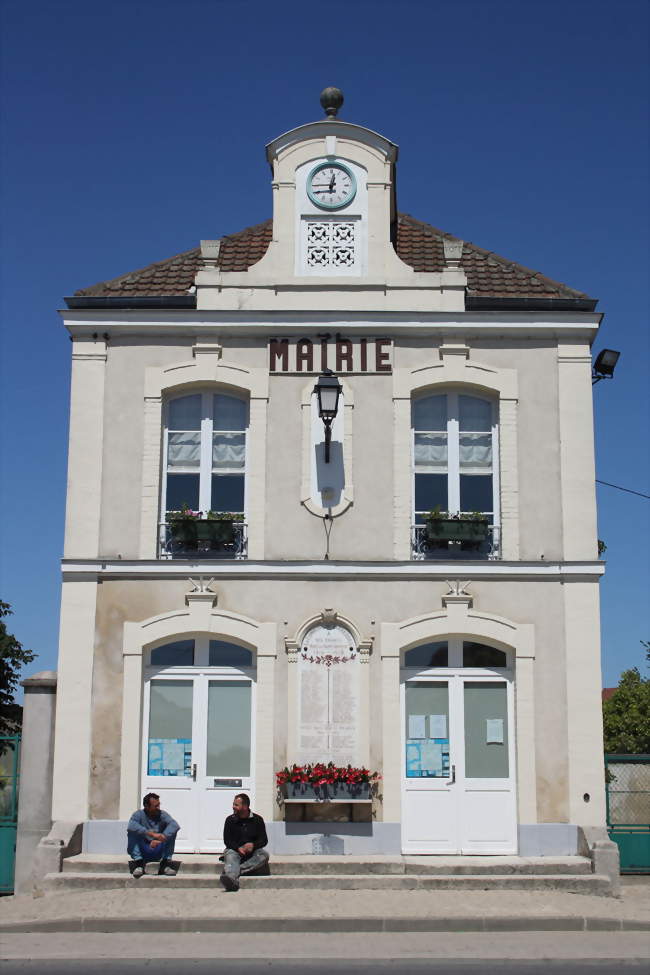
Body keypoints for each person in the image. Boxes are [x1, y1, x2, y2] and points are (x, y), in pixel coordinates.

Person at [220, 793, 269, 891]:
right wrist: (238, 848)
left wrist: (253, 845)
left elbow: (264, 840)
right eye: (233, 804)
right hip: (235, 851)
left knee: (264, 855)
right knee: (229, 853)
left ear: (245, 806)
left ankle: (233, 872)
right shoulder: (230, 820)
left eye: (236, 805)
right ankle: (232, 882)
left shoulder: (257, 820)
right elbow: (227, 840)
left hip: (252, 853)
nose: (233, 807)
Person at [127, 793, 180, 877]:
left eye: (159, 805)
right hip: (143, 849)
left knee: (171, 833)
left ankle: (165, 865)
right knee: (132, 832)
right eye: (156, 806)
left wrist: (159, 839)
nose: (158, 808)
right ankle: (139, 864)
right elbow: (131, 825)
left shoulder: (162, 814)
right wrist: (152, 834)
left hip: (158, 848)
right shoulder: (138, 814)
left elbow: (174, 825)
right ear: (146, 806)